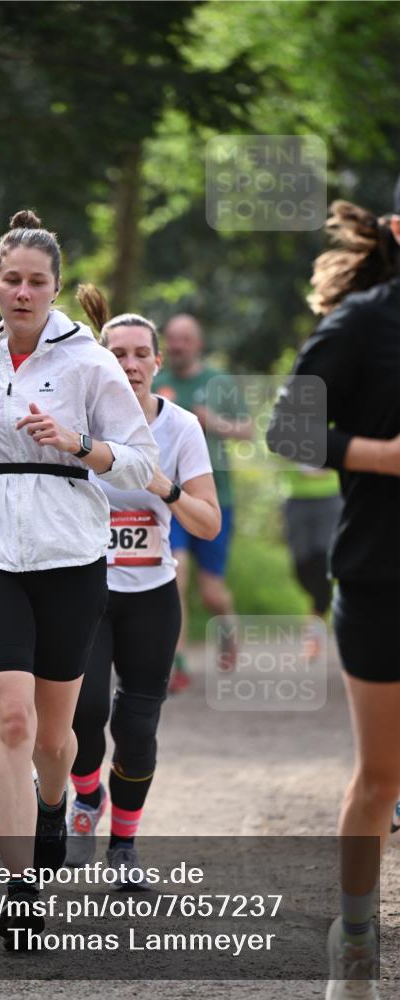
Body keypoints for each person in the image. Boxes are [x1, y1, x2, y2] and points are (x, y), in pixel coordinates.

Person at [0, 210, 157, 948]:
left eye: (36, 282)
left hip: (68, 552)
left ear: (54, 289)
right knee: (11, 720)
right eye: (10, 279)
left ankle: (52, 805)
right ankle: (20, 888)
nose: (21, 292)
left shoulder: (88, 362)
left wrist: (78, 442)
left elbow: (142, 461)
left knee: (56, 738)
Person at [267, 192, 400, 1000]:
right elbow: (290, 428)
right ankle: (354, 939)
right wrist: (384, 455)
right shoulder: (362, 323)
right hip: (383, 572)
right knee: (380, 777)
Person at [65, 286, 220, 884]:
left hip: (152, 596)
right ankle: (84, 797)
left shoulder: (179, 429)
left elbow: (208, 523)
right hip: (84, 589)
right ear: (101, 360)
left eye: (140, 355)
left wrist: (163, 488)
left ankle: (123, 848)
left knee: (136, 725)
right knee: (84, 711)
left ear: (157, 363)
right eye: (118, 354)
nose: (129, 364)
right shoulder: (78, 424)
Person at [155, 314, 253, 690]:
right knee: (175, 576)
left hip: (216, 497)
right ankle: (175, 662)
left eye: (185, 339)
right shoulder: (157, 382)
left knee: (212, 591)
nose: (178, 345)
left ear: (198, 343)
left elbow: (246, 430)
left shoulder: (217, 382)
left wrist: (213, 422)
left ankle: (227, 627)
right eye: (173, 339)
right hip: (171, 497)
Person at [281, 463, 343, 660]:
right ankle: (317, 610)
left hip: (330, 498)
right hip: (295, 499)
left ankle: (313, 635)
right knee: (302, 570)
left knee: (323, 567)